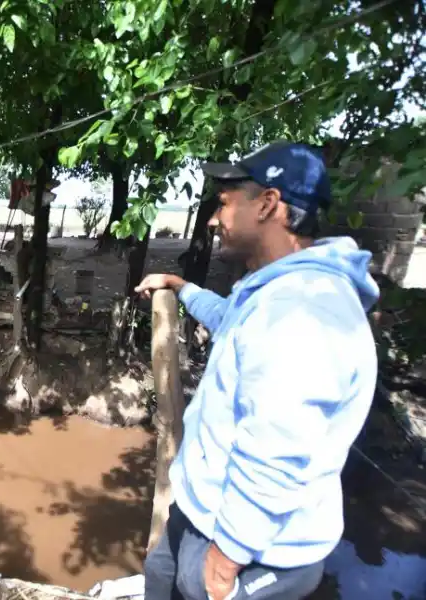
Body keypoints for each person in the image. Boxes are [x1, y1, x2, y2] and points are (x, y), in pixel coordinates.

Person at [135, 141, 379, 600]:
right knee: (159, 573)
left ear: (268, 204)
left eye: (225, 205)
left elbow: (276, 454)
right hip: (203, 516)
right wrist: (181, 286)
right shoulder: (274, 295)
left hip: (255, 552)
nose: (214, 219)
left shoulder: (303, 310)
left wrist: (226, 560)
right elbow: (231, 321)